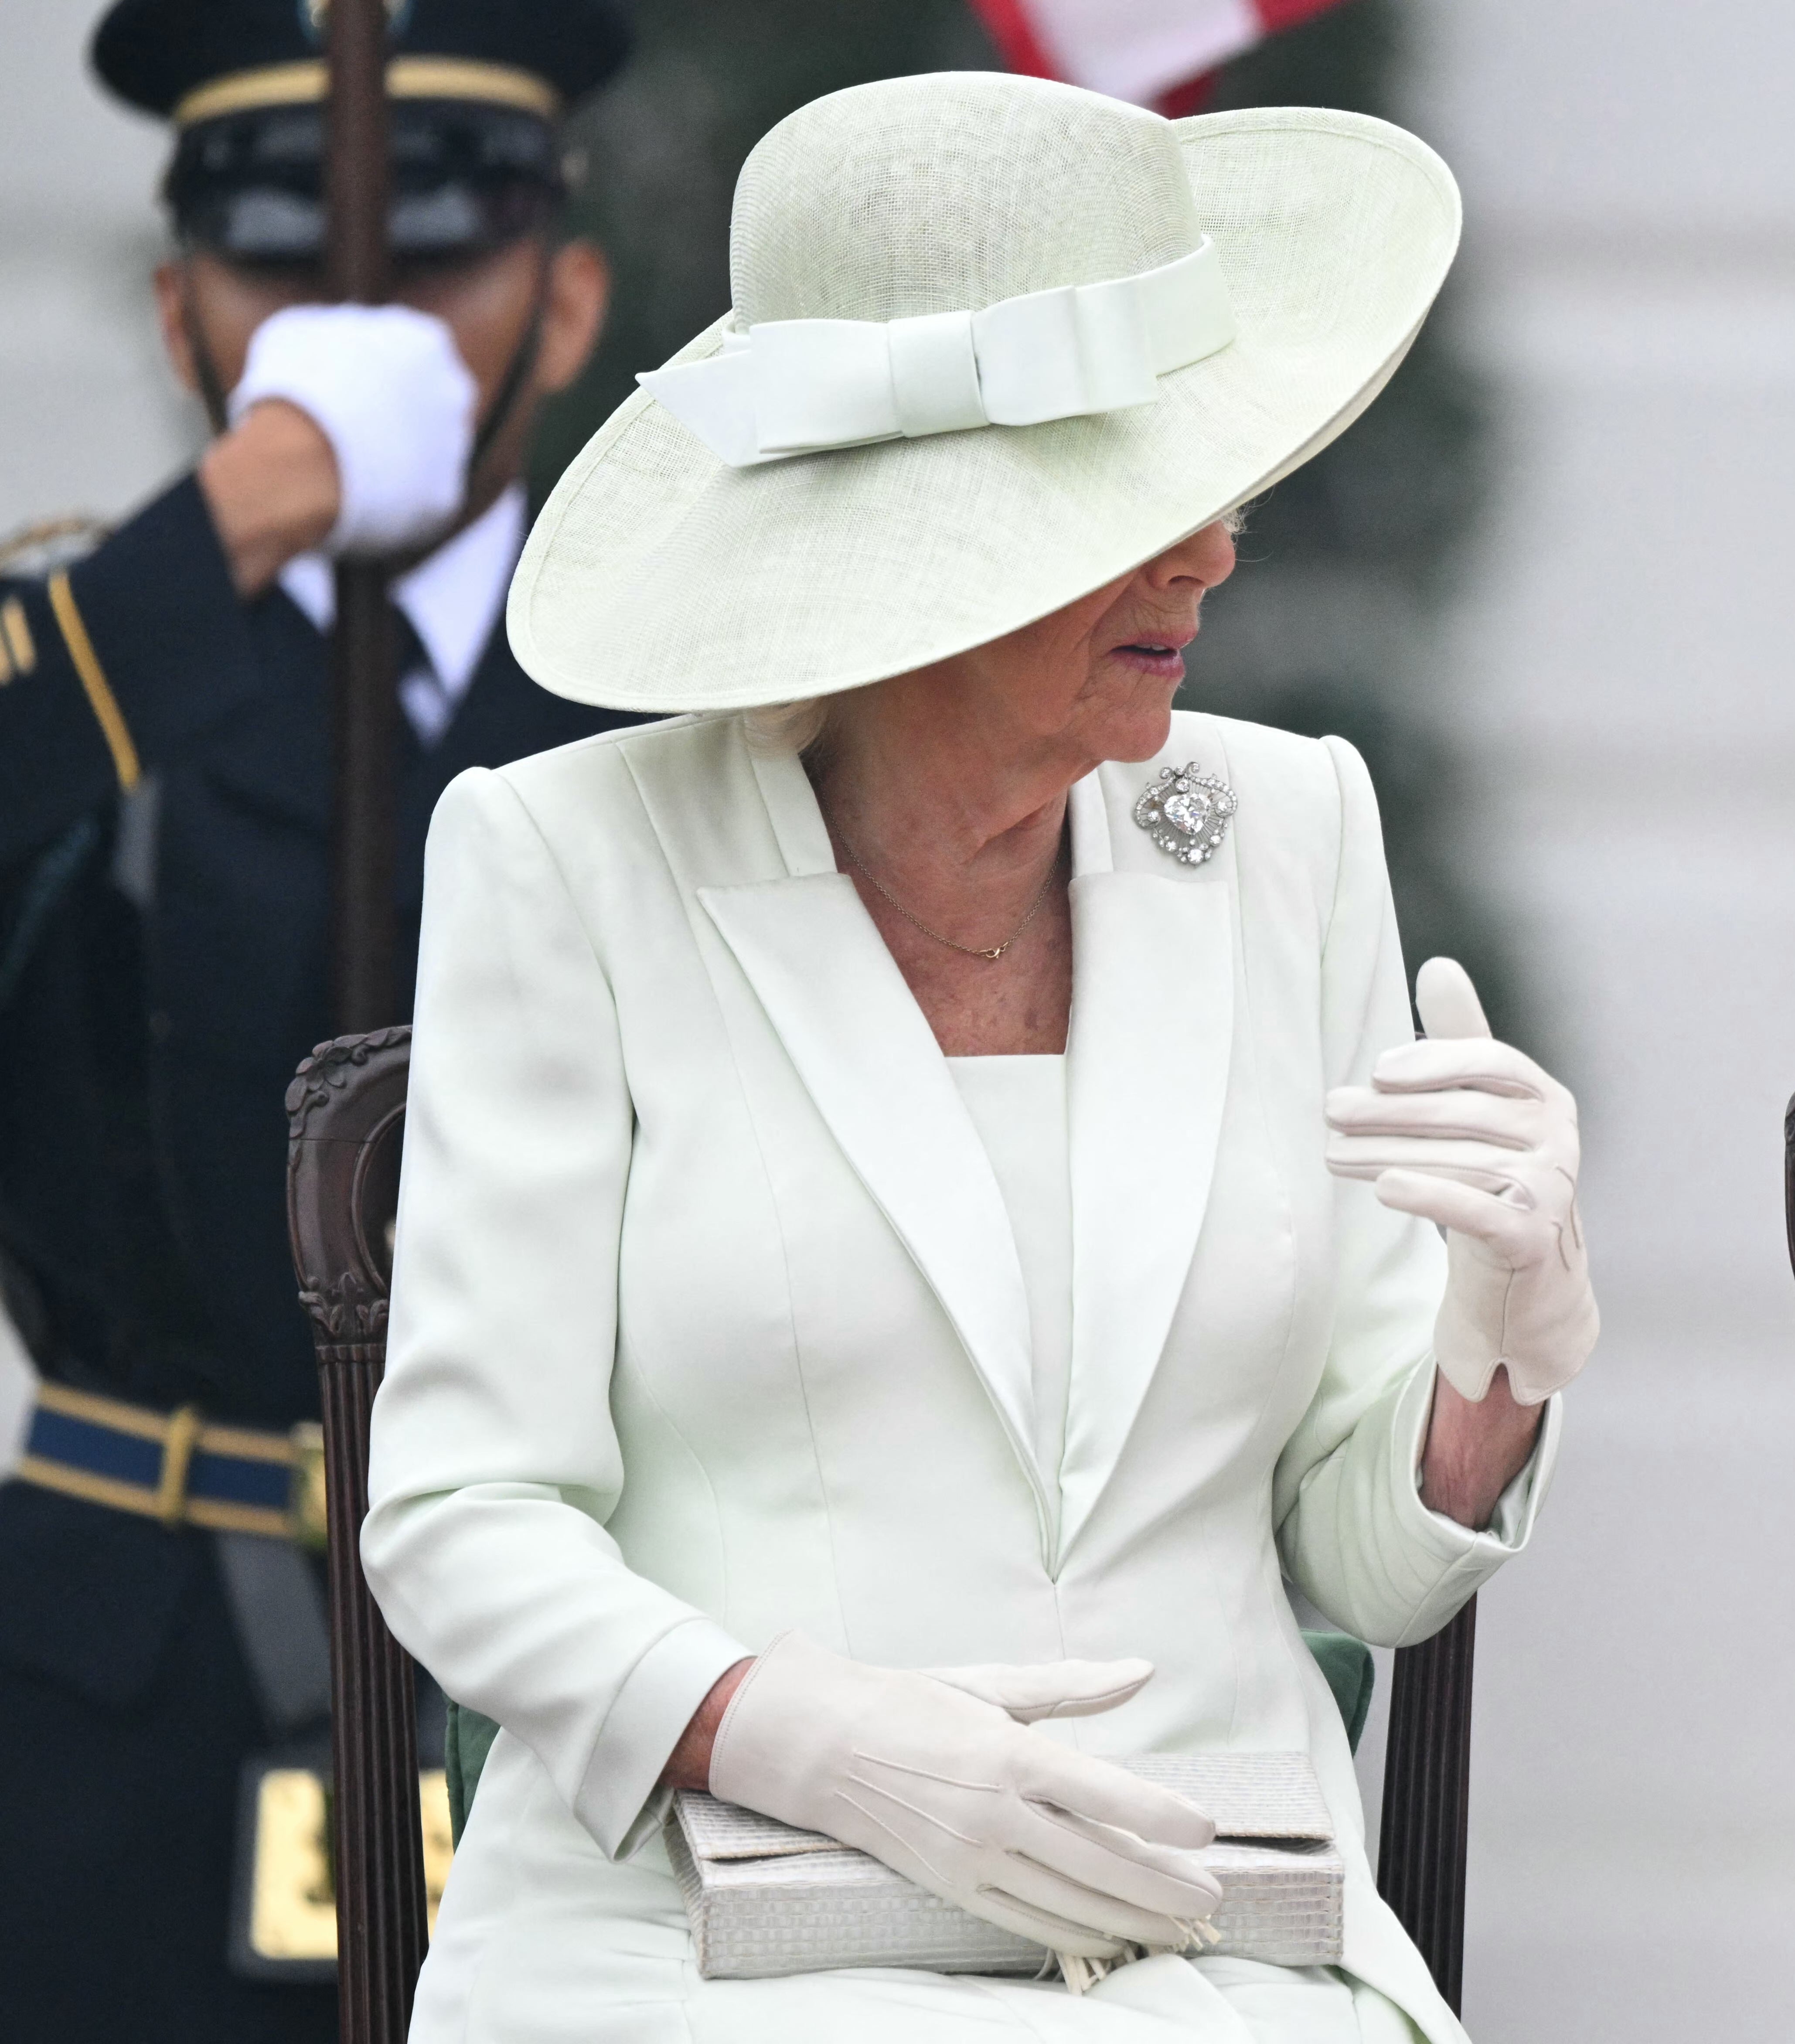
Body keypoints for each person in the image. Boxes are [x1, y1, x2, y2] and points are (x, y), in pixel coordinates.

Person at [360, 71, 1594, 2044]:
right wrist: (813, 1738)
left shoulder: (1290, 832)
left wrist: (1495, 1343)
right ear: (896, 552)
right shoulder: (569, 858)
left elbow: (1365, 1563)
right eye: (1121, 504)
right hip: (698, 1937)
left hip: (1208, 1927)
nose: (1208, 552)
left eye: (1207, 482)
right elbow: (460, 1515)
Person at [0, 2, 629, 2034]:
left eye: (436, 263)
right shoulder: (82, 664)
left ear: (567, 297)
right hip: (127, 1699)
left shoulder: (696, 706)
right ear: (182, 309)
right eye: (279, 271)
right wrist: (249, 516)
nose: (359, 327)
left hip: (592, 1678)